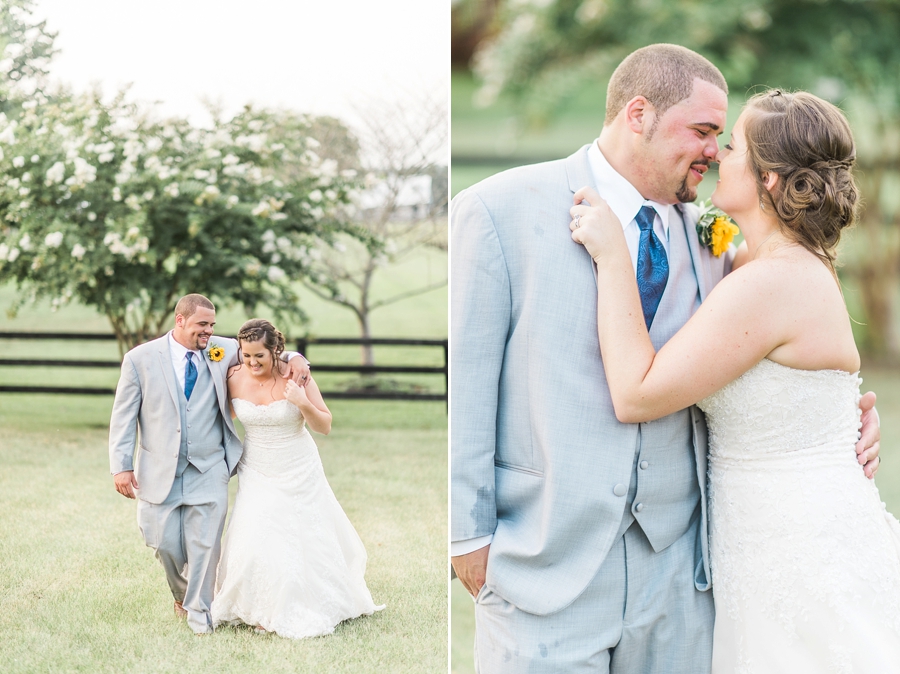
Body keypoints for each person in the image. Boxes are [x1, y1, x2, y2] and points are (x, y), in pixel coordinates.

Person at [450, 44, 882, 673]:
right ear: (638, 114)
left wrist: (842, 418)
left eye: (725, 140)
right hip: (546, 563)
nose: (714, 151)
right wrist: (468, 533)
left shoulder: (719, 239)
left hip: (684, 577)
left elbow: (781, 346)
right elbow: (468, 378)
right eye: (706, 132)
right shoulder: (497, 210)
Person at [570, 88, 900, 672]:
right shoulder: (751, 260)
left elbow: (637, 393)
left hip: (799, 549)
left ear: (770, 179)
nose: (720, 154)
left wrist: (614, 257)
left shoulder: (771, 280)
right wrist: (844, 416)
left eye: (735, 146)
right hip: (761, 539)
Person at [108, 294, 309, 635]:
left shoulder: (223, 349)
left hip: (210, 465)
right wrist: (121, 465)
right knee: (160, 540)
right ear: (180, 320)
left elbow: (264, 353)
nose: (209, 332)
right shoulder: (139, 359)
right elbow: (123, 416)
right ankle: (183, 595)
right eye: (203, 325)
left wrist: (297, 358)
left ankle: (200, 614)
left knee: (205, 545)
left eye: (212, 325)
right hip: (159, 469)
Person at [210, 319, 383, 638]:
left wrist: (301, 401)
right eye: (246, 356)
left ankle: (299, 602)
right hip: (257, 466)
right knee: (257, 530)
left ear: (276, 351)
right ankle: (257, 604)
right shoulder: (233, 375)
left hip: (298, 466)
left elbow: (325, 425)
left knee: (298, 532)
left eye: (259, 356)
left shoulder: (296, 376)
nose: (251, 363)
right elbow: (221, 411)